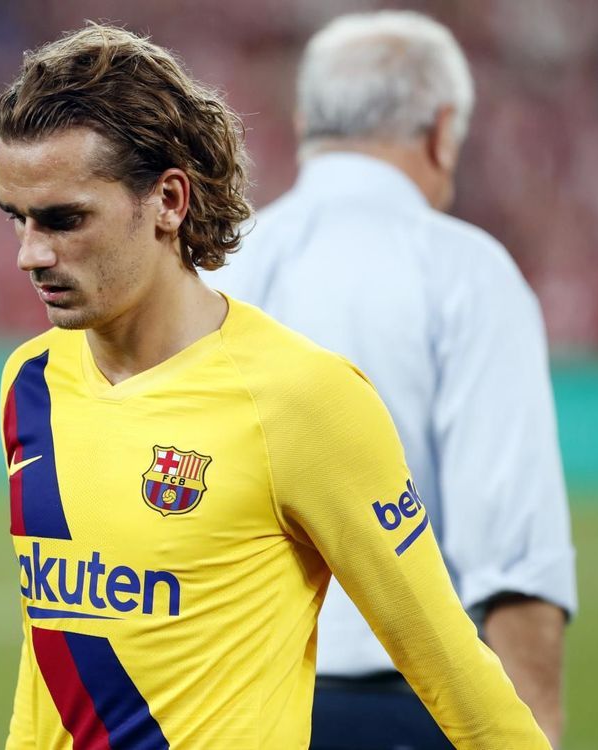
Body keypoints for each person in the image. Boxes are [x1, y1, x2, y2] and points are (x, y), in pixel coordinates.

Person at [0, 23, 551, 750]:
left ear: (168, 200)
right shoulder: (30, 381)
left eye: (64, 219)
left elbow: (450, 665)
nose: (30, 254)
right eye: (18, 219)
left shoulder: (302, 399)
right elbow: (49, 672)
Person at [206, 11, 577, 749]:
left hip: (221, 700)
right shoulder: (467, 271)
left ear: (309, 120)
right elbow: (512, 548)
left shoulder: (218, 265)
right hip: (402, 703)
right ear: (442, 131)